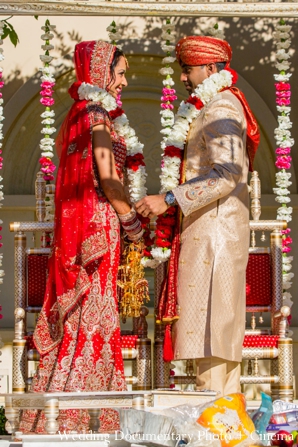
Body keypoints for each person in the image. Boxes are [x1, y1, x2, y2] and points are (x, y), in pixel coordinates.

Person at [20, 40, 143, 434]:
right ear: (102, 72)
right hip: (100, 227)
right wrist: (132, 222)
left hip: (88, 227)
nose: (123, 82)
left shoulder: (82, 113)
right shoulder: (97, 116)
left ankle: (68, 410)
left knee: (84, 320)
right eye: (120, 73)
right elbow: (108, 177)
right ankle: (82, 415)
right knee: (93, 317)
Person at [136, 35, 260, 396]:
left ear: (209, 68)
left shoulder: (220, 108)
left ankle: (217, 423)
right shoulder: (217, 104)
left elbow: (228, 173)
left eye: (187, 69)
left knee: (212, 332)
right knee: (215, 333)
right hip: (212, 230)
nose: (183, 78)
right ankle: (226, 424)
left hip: (215, 235)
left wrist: (169, 198)